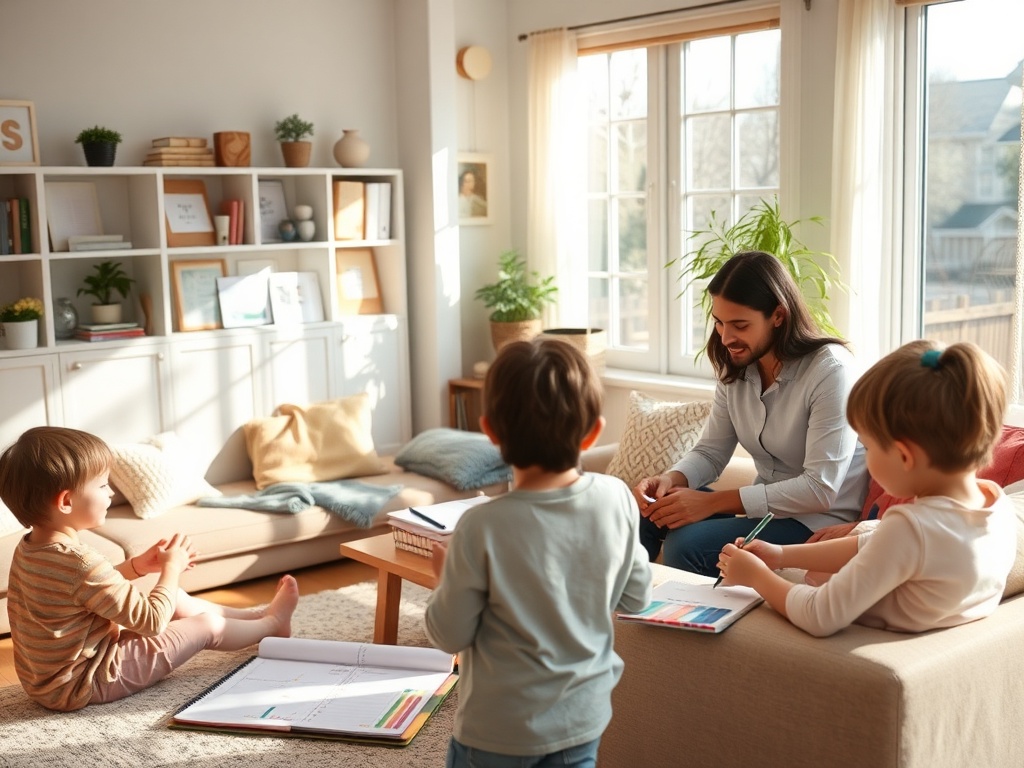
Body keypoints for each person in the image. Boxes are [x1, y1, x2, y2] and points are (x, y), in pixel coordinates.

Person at [424, 338, 652, 767]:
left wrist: (442, 579)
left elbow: (448, 635)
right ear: (593, 432)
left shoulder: (481, 527)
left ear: (490, 431)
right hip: (581, 723)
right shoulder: (617, 498)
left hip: (495, 734)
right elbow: (637, 598)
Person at [717, 340, 1016, 637]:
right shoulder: (993, 503)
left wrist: (755, 576)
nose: (865, 456)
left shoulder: (911, 527)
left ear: (904, 456)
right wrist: (781, 555)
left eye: (868, 446)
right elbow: (876, 545)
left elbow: (819, 615)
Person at [0, 426, 299, 712]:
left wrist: (135, 566)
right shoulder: (80, 562)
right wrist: (172, 569)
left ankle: (257, 616)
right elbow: (152, 622)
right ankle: (271, 627)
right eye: (103, 485)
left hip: (47, 683)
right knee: (205, 625)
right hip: (87, 681)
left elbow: (78, 592)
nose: (111, 495)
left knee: (176, 599)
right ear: (66, 501)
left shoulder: (29, 549)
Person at [632, 250, 869, 576]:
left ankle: (691, 621)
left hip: (814, 520)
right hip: (763, 513)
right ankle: (623, 618)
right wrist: (671, 479)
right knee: (650, 509)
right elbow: (711, 452)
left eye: (740, 325)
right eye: (719, 323)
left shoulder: (830, 371)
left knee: (687, 546)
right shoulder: (739, 366)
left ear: (778, 315)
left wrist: (713, 502)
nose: (726, 337)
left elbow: (820, 489)